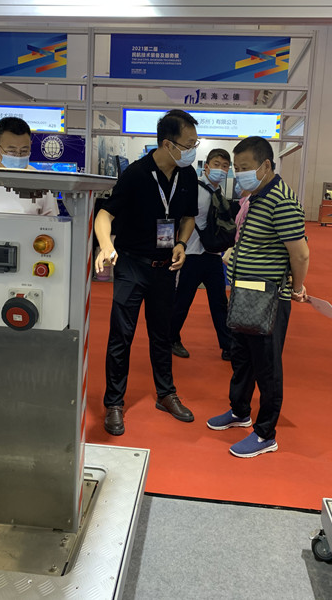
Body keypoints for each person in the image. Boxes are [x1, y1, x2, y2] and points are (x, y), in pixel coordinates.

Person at [94, 109, 199, 436]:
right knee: (121, 336)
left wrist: (181, 243)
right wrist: (105, 246)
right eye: (189, 144)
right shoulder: (137, 174)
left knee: (162, 335)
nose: (193, 150)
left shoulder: (188, 175)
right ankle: (114, 403)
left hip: (164, 268)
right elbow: (104, 215)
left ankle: (166, 394)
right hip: (131, 265)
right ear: (168, 144)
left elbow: (188, 217)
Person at [207, 136, 309, 458]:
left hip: (269, 296)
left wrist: (296, 287)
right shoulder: (255, 197)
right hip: (245, 291)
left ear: (265, 165)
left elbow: (300, 253)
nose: (239, 174)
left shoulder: (281, 200)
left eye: (244, 168)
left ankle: (266, 433)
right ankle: (240, 411)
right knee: (242, 357)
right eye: (236, 169)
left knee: (267, 365)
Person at [170, 148, 233, 362]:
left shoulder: (219, 193)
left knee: (219, 302)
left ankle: (227, 346)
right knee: (182, 301)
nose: (220, 170)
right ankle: (171, 338)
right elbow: (180, 217)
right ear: (206, 167)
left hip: (212, 255)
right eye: (216, 164)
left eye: (225, 166)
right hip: (191, 254)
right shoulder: (193, 189)